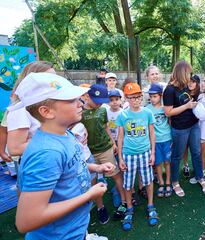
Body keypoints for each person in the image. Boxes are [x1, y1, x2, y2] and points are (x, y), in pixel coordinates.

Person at [13, 72, 113, 240]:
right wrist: (89, 195)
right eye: (70, 100)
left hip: (74, 229)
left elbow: (68, 167)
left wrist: (95, 167)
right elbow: (26, 221)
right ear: (46, 111)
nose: (80, 102)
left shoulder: (64, 133)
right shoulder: (47, 154)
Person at [81, 84, 126, 224]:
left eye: (102, 101)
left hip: (105, 148)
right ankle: (100, 207)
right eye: (96, 101)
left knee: (116, 174)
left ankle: (124, 201)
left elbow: (106, 127)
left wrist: (113, 143)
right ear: (87, 96)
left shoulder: (102, 110)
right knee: (93, 182)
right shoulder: (80, 112)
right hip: (89, 153)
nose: (99, 104)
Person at [163, 61, 205, 197]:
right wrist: (187, 106)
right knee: (177, 156)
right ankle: (175, 181)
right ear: (182, 73)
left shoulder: (185, 87)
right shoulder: (169, 90)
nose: (191, 75)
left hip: (194, 125)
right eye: (189, 72)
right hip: (180, 129)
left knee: (196, 152)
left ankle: (200, 177)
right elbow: (168, 112)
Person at [117, 82, 158, 231]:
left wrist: (153, 153)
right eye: (132, 97)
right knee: (128, 184)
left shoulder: (147, 113)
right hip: (128, 155)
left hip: (145, 152)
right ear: (126, 98)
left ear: (141, 97)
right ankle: (129, 208)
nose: (135, 100)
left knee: (148, 181)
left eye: (138, 97)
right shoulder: (123, 115)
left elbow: (152, 134)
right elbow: (120, 137)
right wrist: (120, 158)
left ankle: (150, 205)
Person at [146, 83, 172, 198]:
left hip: (167, 138)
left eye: (155, 96)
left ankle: (168, 182)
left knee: (167, 162)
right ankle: (161, 182)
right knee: (158, 163)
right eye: (151, 96)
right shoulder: (147, 109)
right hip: (155, 141)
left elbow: (170, 121)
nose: (152, 99)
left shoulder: (165, 107)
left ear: (160, 95)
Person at [182, 74, 201, 178]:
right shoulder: (184, 93)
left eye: (193, 82)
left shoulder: (200, 95)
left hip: (196, 125)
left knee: (196, 149)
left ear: (197, 83)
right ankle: (185, 165)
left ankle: (198, 169)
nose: (190, 83)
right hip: (184, 125)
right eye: (189, 81)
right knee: (185, 147)